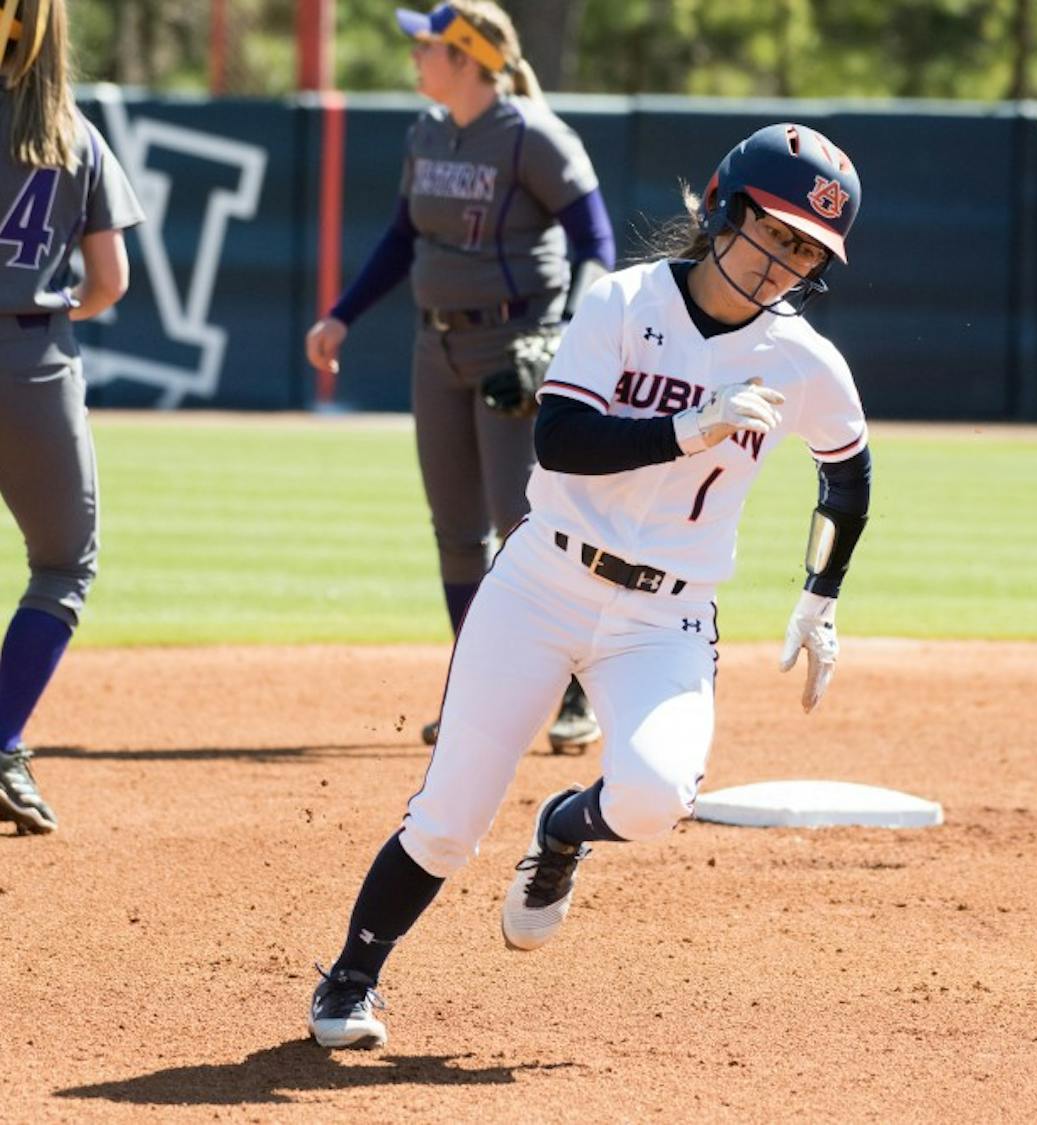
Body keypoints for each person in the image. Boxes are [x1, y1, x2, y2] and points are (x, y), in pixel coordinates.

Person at [308, 121, 872, 1049]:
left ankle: (563, 829)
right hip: (542, 582)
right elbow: (559, 439)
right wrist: (692, 427)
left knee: (654, 799)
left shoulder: (803, 359)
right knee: (448, 821)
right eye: (774, 232)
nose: (785, 263)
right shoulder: (622, 301)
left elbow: (848, 474)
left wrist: (822, 593)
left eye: (807, 250)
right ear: (724, 210)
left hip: (668, 614)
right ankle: (350, 977)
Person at [304, 1, 615, 753]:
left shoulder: (533, 136)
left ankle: (577, 693)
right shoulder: (428, 132)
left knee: (527, 529)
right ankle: (481, 693)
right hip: (436, 350)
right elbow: (402, 236)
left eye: (429, 47)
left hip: (513, 348)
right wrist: (342, 313)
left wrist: (561, 337)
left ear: (470, 59)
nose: (416, 57)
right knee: (455, 534)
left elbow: (597, 244)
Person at [0, 0, 145, 835]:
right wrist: (49, 311)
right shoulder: (74, 134)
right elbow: (110, 281)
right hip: (33, 360)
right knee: (61, 566)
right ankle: (2, 738)